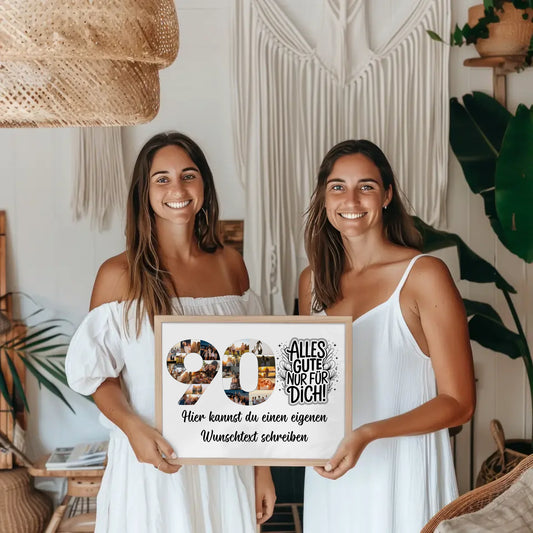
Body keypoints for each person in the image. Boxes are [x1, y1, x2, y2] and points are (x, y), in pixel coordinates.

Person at [66, 132, 275, 533]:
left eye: (188, 175)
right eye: (161, 179)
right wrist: (133, 428)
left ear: (204, 184)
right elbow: (98, 376)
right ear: (143, 192)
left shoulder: (231, 265)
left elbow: (252, 376)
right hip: (153, 463)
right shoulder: (118, 274)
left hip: (226, 460)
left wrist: (262, 469)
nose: (177, 189)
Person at [299, 140, 475, 533]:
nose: (351, 199)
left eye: (366, 186)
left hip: (403, 475)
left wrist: (368, 434)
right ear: (324, 198)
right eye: (338, 187)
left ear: (387, 195)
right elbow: (308, 391)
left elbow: (459, 403)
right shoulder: (311, 282)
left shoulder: (424, 275)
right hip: (331, 476)